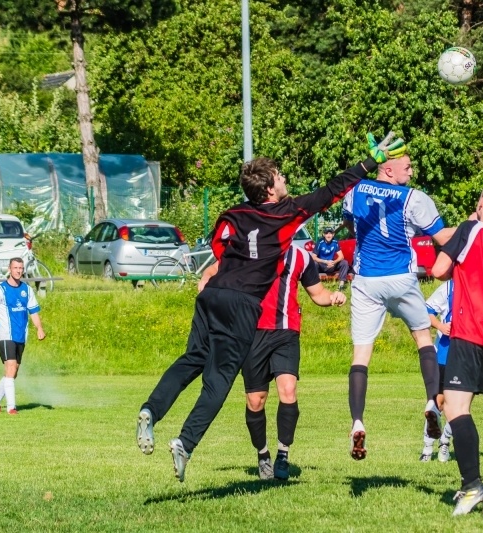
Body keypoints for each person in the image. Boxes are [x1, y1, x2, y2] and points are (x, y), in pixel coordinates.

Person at [136, 139, 388, 482]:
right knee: (219, 382)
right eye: (280, 176)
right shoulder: (285, 213)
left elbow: (220, 250)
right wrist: (367, 165)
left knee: (193, 358)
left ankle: (151, 408)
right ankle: (185, 442)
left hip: (212, 296)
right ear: (270, 188)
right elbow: (330, 191)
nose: (284, 179)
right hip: (242, 305)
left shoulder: (231, 215)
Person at [341, 133, 455, 461]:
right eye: (406, 166)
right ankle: (433, 401)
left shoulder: (355, 191)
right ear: (389, 170)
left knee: (361, 355)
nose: (411, 171)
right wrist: (473, 226)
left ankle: (358, 423)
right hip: (401, 278)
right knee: (423, 338)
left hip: (366, 282)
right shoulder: (413, 198)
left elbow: (351, 226)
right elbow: (441, 236)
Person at [430, 178, 483, 516]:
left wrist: (460, 242)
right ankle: (470, 484)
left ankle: (472, 485)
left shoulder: (471, 229)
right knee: (459, 406)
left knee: (454, 408)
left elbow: (438, 270)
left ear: (482, 202)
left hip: (467, 327)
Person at [240, 246, 345, 480]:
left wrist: (333, 297)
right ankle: (263, 454)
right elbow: (220, 273)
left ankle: (283, 455)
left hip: (286, 333)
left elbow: (317, 294)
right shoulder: (249, 248)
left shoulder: (300, 256)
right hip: (252, 333)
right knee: (255, 400)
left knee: (288, 390)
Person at [0, 257, 46, 414]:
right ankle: (12, 408)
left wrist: (39, 328)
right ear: (9, 269)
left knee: (13, 372)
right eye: (15, 268)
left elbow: (33, 311)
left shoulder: (27, 290)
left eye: (21, 268)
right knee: (11, 367)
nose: (18, 271)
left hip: (21, 336)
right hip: (5, 335)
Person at [419, 279, 454, 462]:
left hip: (468, 353)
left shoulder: (481, 285)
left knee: (458, 406)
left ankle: (445, 443)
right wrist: (441, 326)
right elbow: (427, 310)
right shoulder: (449, 287)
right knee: (438, 402)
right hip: (444, 352)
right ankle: (427, 448)